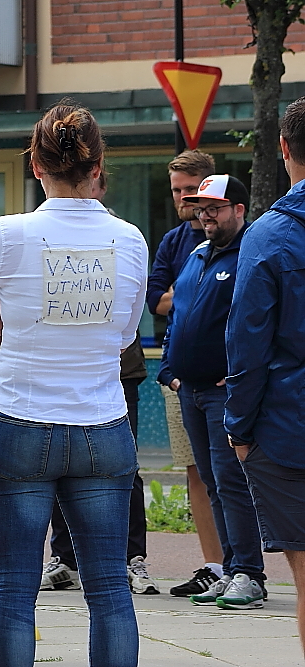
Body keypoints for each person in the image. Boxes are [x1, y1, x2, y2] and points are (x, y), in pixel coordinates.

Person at [0, 102, 148, 667]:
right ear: (97, 166)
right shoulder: (129, 239)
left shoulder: (10, 233)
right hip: (103, 424)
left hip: (19, 416)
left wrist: (0, 326)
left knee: (13, 592)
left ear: (36, 166)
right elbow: (124, 335)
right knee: (110, 590)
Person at [40, 170, 158, 596]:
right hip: (58, 375)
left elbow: (135, 315)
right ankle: (66, 559)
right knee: (55, 461)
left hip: (117, 372)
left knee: (124, 467)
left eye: (89, 183)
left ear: (100, 186)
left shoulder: (123, 237)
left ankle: (131, 558)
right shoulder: (43, 232)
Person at [158, 174, 267, 610]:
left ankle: (250, 575)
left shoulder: (251, 256)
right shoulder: (198, 254)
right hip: (190, 389)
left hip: (225, 392)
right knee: (212, 483)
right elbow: (178, 314)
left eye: (215, 208)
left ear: (239, 210)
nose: (205, 215)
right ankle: (229, 567)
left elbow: (259, 321)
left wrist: (240, 373)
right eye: (201, 208)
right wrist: (169, 369)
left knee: (231, 481)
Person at [227, 96, 305, 656]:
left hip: (289, 428)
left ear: (282, 150)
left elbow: (247, 346)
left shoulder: (268, 237)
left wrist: (240, 429)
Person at [146, 150, 225, 597]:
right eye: (175, 190)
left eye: (189, 189)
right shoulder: (174, 242)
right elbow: (156, 300)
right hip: (178, 375)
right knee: (195, 470)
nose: (182, 198)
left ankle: (243, 563)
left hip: (224, 379)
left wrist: (188, 294)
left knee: (235, 471)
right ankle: (212, 564)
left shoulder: (235, 238)